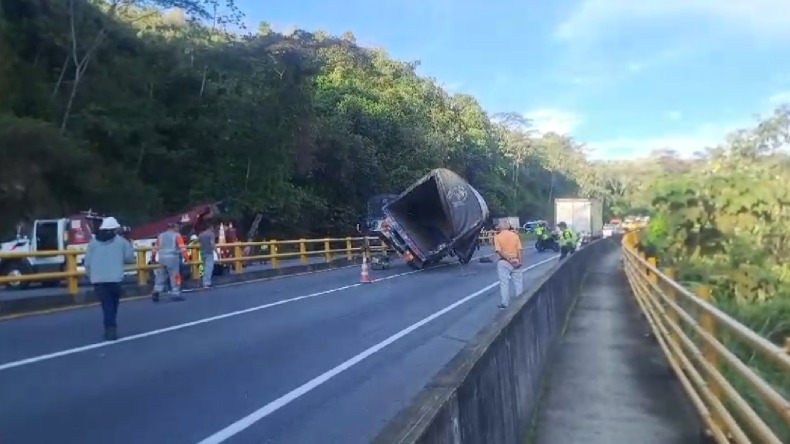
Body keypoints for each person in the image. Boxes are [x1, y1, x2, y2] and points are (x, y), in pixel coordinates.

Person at [84, 216, 135, 341]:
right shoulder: (122, 242)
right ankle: (111, 328)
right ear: (115, 229)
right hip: (115, 278)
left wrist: (90, 274)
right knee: (112, 304)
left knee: (106, 304)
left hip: (97, 279)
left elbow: (87, 262)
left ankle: (110, 327)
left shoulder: (93, 242)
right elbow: (130, 259)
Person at [152, 222, 188, 302]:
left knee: (160, 276)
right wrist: (187, 258)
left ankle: (156, 291)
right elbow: (182, 248)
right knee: (174, 276)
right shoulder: (177, 235)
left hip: (161, 258)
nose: (178, 229)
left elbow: (155, 248)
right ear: (174, 228)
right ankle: (175, 293)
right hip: (172, 258)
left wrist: (153, 258)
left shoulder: (160, 236)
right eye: (177, 227)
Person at [494, 219, 523, 309]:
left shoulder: (497, 237)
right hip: (516, 260)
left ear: (500, 227)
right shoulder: (515, 236)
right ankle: (521, 302)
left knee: (504, 283)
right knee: (518, 283)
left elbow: (499, 251)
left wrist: (509, 260)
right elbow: (519, 250)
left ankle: (505, 303)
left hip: (503, 262)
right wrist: (519, 261)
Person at [197, 219, 217, 288]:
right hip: (209, 252)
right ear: (211, 227)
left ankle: (203, 282)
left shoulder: (201, 234)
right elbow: (212, 243)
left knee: (204, 268)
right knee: (209, 268)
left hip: (202, 252)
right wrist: (216, 252)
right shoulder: (211, 234)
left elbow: (197, 241)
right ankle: (206, 282)